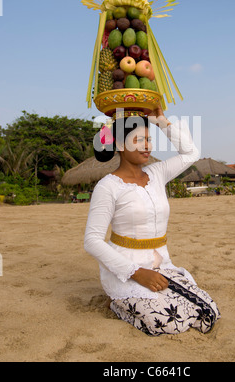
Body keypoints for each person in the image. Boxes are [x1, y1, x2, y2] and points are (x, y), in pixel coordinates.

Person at [84, 106, 220, 336]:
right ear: (119, 145)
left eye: (148, 139)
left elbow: (191, 153)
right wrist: (137, 273)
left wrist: (162, 121)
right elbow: (92, 241)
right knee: (169, 323)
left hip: (161, 265)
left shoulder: (158, 173)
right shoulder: (108, 186)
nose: (147, 146)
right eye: (139, 140)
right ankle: (117, 304)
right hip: (126, 271)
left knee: (208, 312)